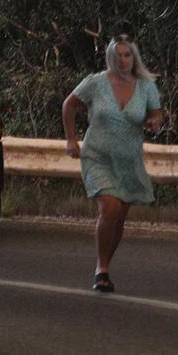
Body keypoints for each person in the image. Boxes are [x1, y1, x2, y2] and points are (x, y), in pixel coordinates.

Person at [62, 30, 164, 292]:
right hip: (97, 156)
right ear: (110, 57)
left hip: (128, 161)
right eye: (118, 55)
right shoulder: (96, 83)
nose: (123, 60)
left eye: (127, 54)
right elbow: (69, 105)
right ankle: (101, 269)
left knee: (119, 217)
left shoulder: (145, 86)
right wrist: (71, 139)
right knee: (109, 207)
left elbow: (157, 114)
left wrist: (154, 123)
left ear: (134, 57)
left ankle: (106, 263)